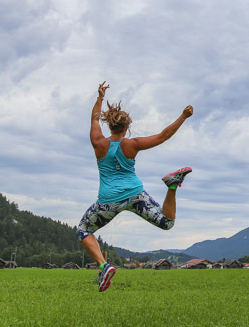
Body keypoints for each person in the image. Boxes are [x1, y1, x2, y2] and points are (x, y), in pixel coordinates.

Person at [77, 81, 193, 292]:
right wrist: (183, 117)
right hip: (135, 195)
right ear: (127, 127)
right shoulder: (132, 144)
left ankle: (103, 267)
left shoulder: (98, 142)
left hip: (108, 201)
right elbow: (163, 136)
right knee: (167, 223)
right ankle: (172, 186)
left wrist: (100, 97)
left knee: (84, 229)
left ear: (109, 125)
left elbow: (94, 118)